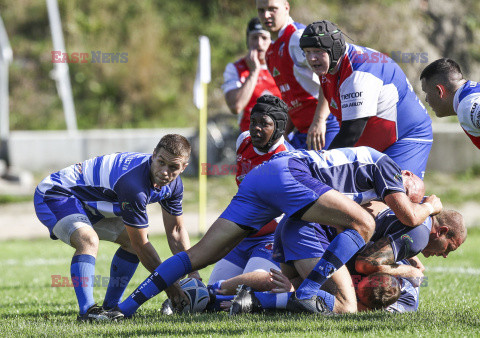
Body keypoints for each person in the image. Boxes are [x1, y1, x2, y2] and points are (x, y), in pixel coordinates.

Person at [110, 145, 442, 319]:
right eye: (411, 188)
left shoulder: (366, 183)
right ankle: (308, 291)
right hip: (290, 173)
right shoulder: (387, 167)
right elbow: (408, 215)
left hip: (265, 177)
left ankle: (125, 308)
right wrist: (430, 206)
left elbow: (368, 214)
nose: (405, 193)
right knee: (363, 226)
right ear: (407, 173)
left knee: (198, 255)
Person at [33, 134, 199, 321]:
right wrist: (170, 285)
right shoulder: (134, 185)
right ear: (153, 155)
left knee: (129, 241)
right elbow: (141, 245)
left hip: (91, 201)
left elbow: (176, 232)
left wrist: (194, 273)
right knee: (89, 240)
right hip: (56, 193)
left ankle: (111, 307)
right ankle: (87, 312)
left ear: (184, 167)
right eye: (161, 162)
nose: (165, 171)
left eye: (173, 167)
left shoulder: (174, 186)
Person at [229, 201, 465, 314]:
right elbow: (366, 264)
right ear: (442, 231)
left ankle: (211, 293)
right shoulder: (420, 234)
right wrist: (404, 271)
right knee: (346, 305)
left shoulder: (410, 224)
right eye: (448, 248)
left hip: (298, 224)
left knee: (286, 283)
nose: (444, 255)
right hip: (314, 234)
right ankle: (257, 302)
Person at [299, 20, 433, 179]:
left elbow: (351, 132)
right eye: (307, 52)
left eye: (317, 51)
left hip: (405, 137)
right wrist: (320, 119)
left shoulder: (359, 74)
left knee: (399, 195)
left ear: (334, 49)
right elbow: (325, 84)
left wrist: (321, 163)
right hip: (375, 139)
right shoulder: (331, 64)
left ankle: (431, 205)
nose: (312, 58)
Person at [256, 0, 340, 150]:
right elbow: (291, 99)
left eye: (272, 9)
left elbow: (329, 76)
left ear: (286, 7)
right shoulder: (270, 51)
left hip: (326, 126)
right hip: (302, 132)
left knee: (326, 173)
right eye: (261, 10)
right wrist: (282, 132)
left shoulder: (297, 37)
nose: (266, 15)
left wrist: (319, 121)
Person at [222, 17, 282, 132]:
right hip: (250, 137)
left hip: (281, 136)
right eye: (254, 38)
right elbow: (236, 106)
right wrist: (254, 71)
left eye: (264, 38)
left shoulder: (282, 65)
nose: (259, 43)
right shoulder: (235, 68)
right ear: (247, 41)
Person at [420, 58, 480, 149]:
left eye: (426, 92)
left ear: (439, 91)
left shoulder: (467, 106)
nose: (426, 99)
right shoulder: (470, 96)